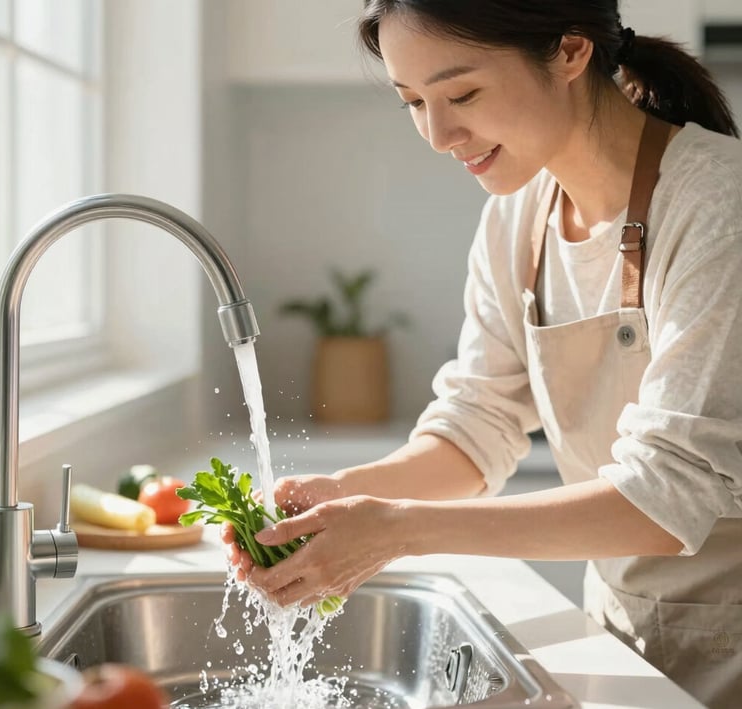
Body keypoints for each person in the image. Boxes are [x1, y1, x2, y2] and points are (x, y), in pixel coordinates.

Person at [225, 2, 742, 706]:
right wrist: (337, 500)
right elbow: (474, 428)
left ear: (569, 50)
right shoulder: (518, 215)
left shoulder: (717, 208)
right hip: (625, 647)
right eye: (413, 102)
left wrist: (398, 531)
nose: (438, 135)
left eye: (461, 93)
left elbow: (662, 499)